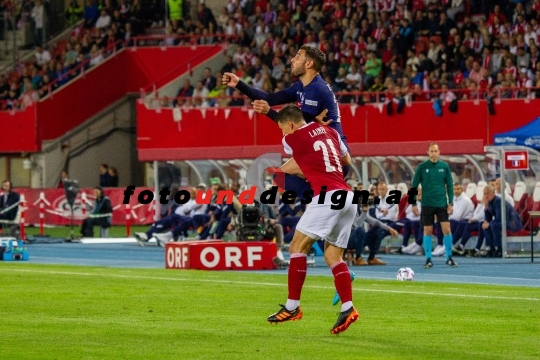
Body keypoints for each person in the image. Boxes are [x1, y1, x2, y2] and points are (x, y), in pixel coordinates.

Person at [266, 105, 358, 335]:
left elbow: (287, 169)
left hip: (327, 196)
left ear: (291, 124)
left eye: (282, 129)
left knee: (297, 246)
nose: (283, 135)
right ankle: (348, 307)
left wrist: (286, 172)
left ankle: (292, 307)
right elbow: (346, 160)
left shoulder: (294, 138)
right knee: (333, 255)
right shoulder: (330, 132)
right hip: (348, 197)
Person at [222, 45, 349, 196]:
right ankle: (322, 199)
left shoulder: (316, 89)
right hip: (323, 152)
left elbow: (295, 125)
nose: (292, 59)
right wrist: (238, 84)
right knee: (282, 177)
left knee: (280, 177)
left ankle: (318, 199)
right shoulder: (303, 86)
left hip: (330, 155)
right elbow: (270, 98)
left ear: (309, 64)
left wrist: (268, 112)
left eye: (298, 56)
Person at [411, 143, 457, 268]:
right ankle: (428, 258)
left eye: (436, 151)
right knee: (428, 230)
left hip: (442, 203)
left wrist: (451, 202)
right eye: (431, 151)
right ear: (428, 152)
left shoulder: (444, 166)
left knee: (446, 229)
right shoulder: (422, 167)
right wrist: (413, 203)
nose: (434, 153)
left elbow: (450, 186)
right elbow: (414, 185)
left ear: (439, 152)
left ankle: (449, 257)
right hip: (427, 204)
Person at [482, 185, 522, 258]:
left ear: (493, 193)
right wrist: (486, 208)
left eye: (488, 193)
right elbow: (488, 219)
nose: (486, 196)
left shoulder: (498, 201)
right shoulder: (490, 202)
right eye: (484, 194)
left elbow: (500, 218)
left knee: (494, 225)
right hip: (504, 221)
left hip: (512, 222)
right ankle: (491, 248)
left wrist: (489, 224)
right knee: (485, 225)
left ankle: (499, 249)